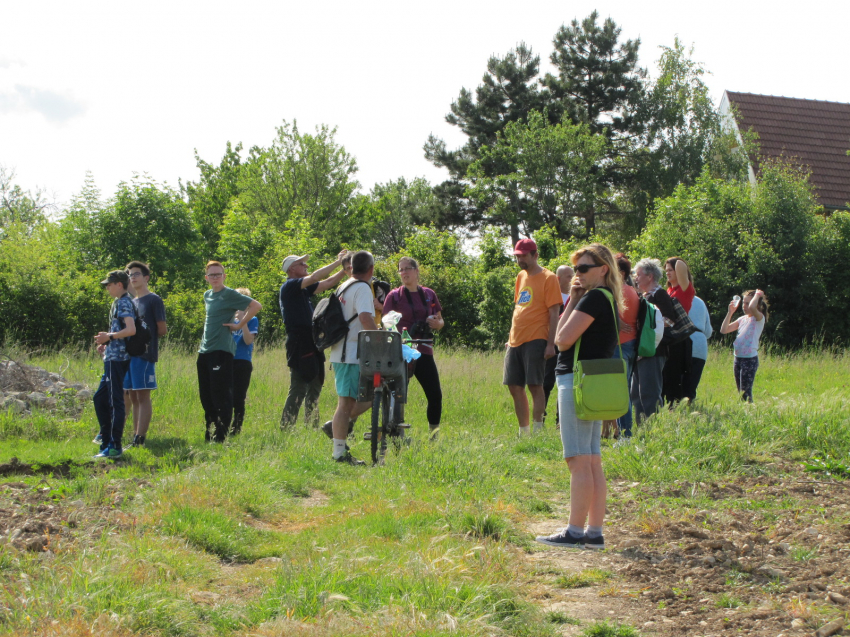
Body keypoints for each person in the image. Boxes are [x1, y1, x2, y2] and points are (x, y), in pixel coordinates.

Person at [536, 243, 621, 549]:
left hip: (576, 382)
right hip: (594, 383)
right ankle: (593, 532)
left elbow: (561, 340)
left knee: (578, 460)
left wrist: (572, 302)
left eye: (584, 269)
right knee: (593, 460)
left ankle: (574, 531)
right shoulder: (609, 298)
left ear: (603, 269)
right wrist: (575, 297)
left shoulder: (594, 298)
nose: (577, 274)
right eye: (575, 269)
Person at [279, 251, 348, 429]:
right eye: (302, 264)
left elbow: (328, 283)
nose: (306, 266)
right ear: (292, 269)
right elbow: (316, 276)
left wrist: (345, 270)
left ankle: (312, 426)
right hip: (299, 342)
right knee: (299, 385)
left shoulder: (301, 289)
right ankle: (286, 427)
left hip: (312, 341)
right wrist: (338, 261)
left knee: (316, 382)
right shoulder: (290, 286)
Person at [197, 261, 262, 443]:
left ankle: (221, 435)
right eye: (212, 275)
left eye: (218, 274)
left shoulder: (229, 294)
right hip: (204, 350)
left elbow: (256, 306)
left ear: (224, 276)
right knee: (206, 394)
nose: (215, 278)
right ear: (206, 278)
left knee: (221, 394)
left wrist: (240, 325)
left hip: (222, 350)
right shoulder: (207, 295)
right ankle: (209, 431)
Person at [504, 238, 562, 435]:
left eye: (524, 256)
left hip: (537, 338)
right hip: (515, 339)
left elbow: (554, 313)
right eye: (518, 256)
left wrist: (550, 344)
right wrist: (510, 336)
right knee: (513, 385)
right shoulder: (521, 276)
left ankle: (537, 430)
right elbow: (520, 307)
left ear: (535, 255)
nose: (520, 260)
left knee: (535, 385)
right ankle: (524, 431)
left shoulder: (549, 278)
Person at [382, 257, 444, 438]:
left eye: (407, 268)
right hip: (401, 351)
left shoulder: (429, 294)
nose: (404, 273)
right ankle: (396, 433)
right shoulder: (394, 296)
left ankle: (434, 435)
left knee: (435, 395)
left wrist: (436, 323)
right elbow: (385, 323)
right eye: (400, 270)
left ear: (417, 271)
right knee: (397, 395)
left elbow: (440, 321)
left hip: (423, 350)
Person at [329, 251, 379, 465]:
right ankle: (339, 453)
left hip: (341, 352)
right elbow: (366, 317)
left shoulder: (344, 286)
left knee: (362, 399)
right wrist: (379, 340)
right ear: (371, 269)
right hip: (350, 354)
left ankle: (337, 434)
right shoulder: (362, 288)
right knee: (346, 404)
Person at [92, 270, 137, 460]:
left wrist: (109, 337)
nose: (107, 288)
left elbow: (131, 329)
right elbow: (121, 331)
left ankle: (114, 446)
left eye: (109, 284)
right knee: (100, 398)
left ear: (119, 284)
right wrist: (106, 342)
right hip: (112, 356)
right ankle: (105, 439)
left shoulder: (124, 302)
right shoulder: (118, 302)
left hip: (118, 359)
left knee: (114, 401)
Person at [123, 261, 167, 449]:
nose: (133, 277)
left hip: (145, 354)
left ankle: (141, 436)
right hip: (130, 355)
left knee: (143, 395)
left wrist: (143, 337)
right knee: (132, 396)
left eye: (136, 274)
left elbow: (162, 329)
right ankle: (135, 435)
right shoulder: (132, 302)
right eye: (130, 274)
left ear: (146, 278)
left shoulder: (153, 300)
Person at [630, 258, 677, 423]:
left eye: (639, 274)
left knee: (650, 393)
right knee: (636, 393)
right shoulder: (643, 295)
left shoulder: (659, 294)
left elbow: (670, 320)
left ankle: (653, 430)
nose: (636, 277)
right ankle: (640, 428)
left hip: (655, 350)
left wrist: (647, 324)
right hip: (642, 349)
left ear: (650, 277)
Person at [608, 253, 639, 443]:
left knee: (620, 392)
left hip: (619, 345)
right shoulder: (631, 291)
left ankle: (626, 435)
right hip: (629, 345)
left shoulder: (619, 292)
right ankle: (624, 433)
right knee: (623, 390)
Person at [721, 289, 769, 402]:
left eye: (747, 303)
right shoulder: (742, 319)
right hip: (738, 358)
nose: (744, 306)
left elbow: (753, 308)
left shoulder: (759, 318)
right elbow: (724, 330)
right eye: (743, 303)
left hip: (749, 360)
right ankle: (744, 411)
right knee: (740, 391)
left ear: (756, 304)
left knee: (746, 392)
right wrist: (730, 312)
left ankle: (749, 412)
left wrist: (757, 295)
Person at [543, 265, 573, 428]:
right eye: (568, 276)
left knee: (566, 382)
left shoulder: (575, 298)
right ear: (558, 279)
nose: (572, 278)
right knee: (546, 383)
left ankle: (560, 420)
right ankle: (540, 417)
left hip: (568, 346)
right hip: (552, 345)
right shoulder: (553, 298)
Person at [662, 257, 695, 404]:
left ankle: (675, 410)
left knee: (674, 378)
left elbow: (681, 265)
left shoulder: (685, 289)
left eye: (671, 270)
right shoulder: (668, 291)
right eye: (666, 270)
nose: (668, 273)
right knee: (665, 377)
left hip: (679, 338)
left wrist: (674, 260)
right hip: (667, 337)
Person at [231, 288, 259, 435]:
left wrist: (243, 321)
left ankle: (236, 428)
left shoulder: (252, 319)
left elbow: (248, 341)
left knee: (238, 396)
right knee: (225, 395)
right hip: (227, 360)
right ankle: (224, 425)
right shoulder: (228, 318)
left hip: (242, 361)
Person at [685, 295, 713, 402]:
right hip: (700, 346)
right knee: (691, 387)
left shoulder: (674, 297)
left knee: (678, 386)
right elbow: (708, 331)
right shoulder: (700, 302)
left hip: (682, 343)